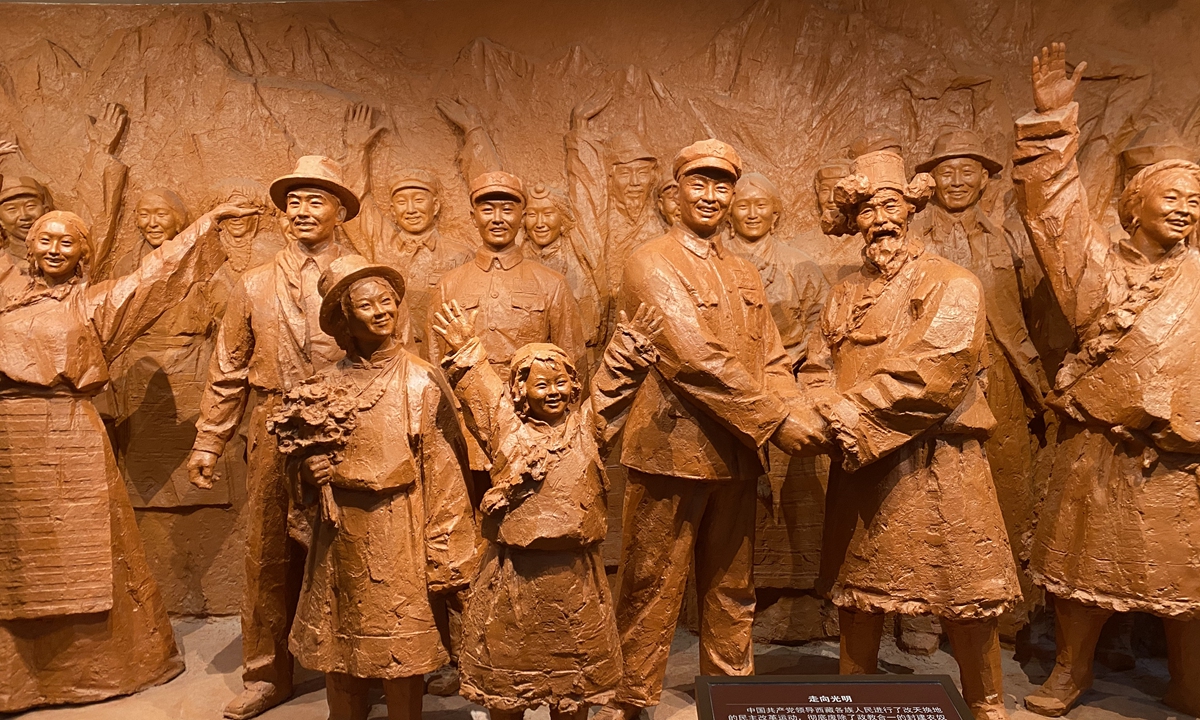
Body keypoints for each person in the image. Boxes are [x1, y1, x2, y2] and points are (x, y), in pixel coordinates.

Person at [595, 139, 824, 720]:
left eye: (722, 185)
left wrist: (791, 404)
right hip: (670, 450)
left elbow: (771, 356)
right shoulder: (650, 261)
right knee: (650, 583)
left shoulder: (742, 270)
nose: (711, 196)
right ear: (675, 193)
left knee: (732, 586)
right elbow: (692, 357)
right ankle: (630, 698)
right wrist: (776, 418)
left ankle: (731, 695)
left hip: (736, 452)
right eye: (699, 183)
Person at [0, 201, 257, 713]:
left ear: (83, 254)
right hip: (7, 436)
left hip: (70, 432)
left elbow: (154, 276)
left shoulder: (96, 304)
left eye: (67, 242)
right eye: (46, 240)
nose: (55, 249)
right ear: (29, 248)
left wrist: (206, 224)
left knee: (86, 553)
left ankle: (99, 667)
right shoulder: (5, 300)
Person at [1012, 42, 1200, 717]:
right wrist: (1052, 124)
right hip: (1100, 445)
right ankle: (1072, 671)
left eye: (1196, 201)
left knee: (1190, 577)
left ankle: (1190, 681)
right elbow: (1054, 216)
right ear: (1134, 205)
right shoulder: (1100, 272)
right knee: (1080, 568)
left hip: (1182, 454)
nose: (1186, 209)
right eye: (1172, 197)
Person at [800, 148, 1020, 720]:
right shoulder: (844, 292)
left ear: (911, 210)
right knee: (857, 590)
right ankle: (853, 697)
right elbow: (817, 364)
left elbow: (937, 368)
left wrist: (846, 412)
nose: (880, 220)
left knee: (965, 588)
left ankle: (987, 703)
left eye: (890, 206)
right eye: (867, 210)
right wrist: (821, 404)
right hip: (862, 460)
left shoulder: (953, 282)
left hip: (939, 460)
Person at [186, 156, 382, 720]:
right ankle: (267, 673)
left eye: (315, 200)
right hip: (273, 425)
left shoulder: (364, 280)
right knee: (268, 553)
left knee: (356, 549)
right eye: (293, 202)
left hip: (349, 425)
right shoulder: (253, 283)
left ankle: (363, 670)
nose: (301, 211)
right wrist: (209, 440)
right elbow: (229, 367)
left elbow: (389, 356)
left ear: (340, 211)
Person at [434, 300, 662, 720]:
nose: (553, 391)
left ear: (574, 386)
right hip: (514, 580)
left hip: (575, 579)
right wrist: (465, 346)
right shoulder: (505, 429)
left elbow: (610, 393)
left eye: (560, 382)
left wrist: (630, 348)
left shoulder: (588, 428)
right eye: (541, 385)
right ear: (521, 391)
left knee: (573, 692)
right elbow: (482, 393)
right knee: (507, 693)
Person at [272, 255, 476, 720]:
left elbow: (445, 473)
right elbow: (296, 464)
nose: (382, 311)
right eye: (366, 305)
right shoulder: (323, 385)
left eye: (387, 301)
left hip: (398, 529)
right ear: (345, 319)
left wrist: (444, 549)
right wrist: (306, 473)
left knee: (400, 650)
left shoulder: (420, 379)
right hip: (337, 537)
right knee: (339, 650)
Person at [911, 128, 1050, 641]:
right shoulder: (911, 236)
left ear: (986, 179)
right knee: (923, 486)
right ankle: (922, 611)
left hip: (1002, 376)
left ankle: (1006, 610)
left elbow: (1033, 311)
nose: (956, 181)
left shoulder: (1009, 238)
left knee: (1007, 485)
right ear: (930, 179)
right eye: (945, 171)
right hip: (928, 380)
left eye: (967, 171)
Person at [343, 103, 473, 357]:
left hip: (442, 356)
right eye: (402, 202)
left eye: (419, 200)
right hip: (390, 356)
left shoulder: (460, 255)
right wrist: (356, 150)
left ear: (435, 206)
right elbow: (357, 203)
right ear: (392, 210)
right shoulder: (381, 243)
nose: (411, 209)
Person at [566, 92, 666, 297]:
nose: (635, 182)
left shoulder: (663, 220)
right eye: (625, 173)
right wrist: (581, 128)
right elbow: (585, 183)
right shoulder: (599, 219)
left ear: (653, 177)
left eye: (642, 173)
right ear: (610, 178)